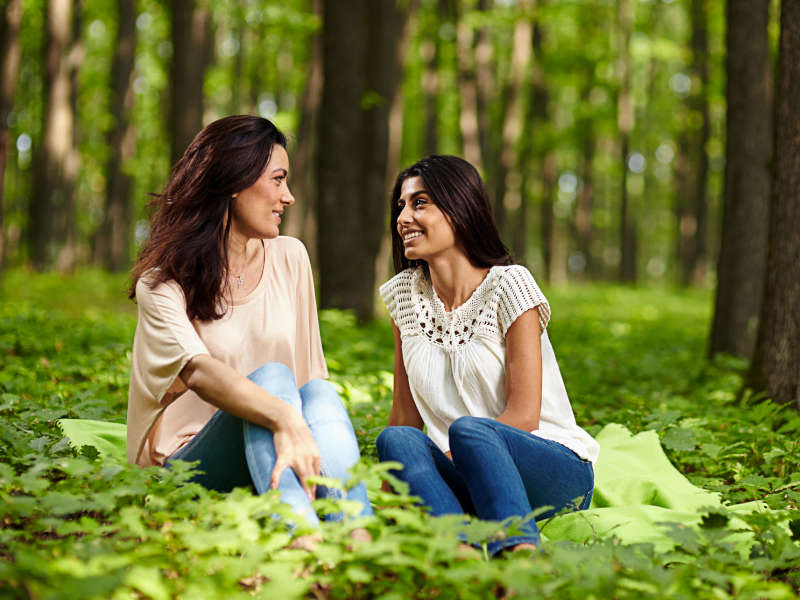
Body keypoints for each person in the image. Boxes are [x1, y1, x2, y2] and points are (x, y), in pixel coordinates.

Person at [126, 115, 372, 530]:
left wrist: (294, 420)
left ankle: (358, 535)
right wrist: (283, 416)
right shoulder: (162, 283)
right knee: (273, 378)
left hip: (277, 441)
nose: (288, 196)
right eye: (278, 180)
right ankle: (303, 537)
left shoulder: (291, 258)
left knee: (319, 394)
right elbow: (199, 373)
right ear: (234, 182)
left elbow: (311, 377)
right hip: (187, 463)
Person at [376, 155, 599, 556]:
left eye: (420, 203)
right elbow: (404, 417)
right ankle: (460, 551)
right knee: (396, 438)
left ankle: (519, 556)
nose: (404, 217)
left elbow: (524, 416)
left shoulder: (509, 285)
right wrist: (391, 501)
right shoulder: (404, 298)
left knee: (469, 431)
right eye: (401, 206)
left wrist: (451, 454)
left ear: (460, 208)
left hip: (548, 467)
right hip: (467, 475)